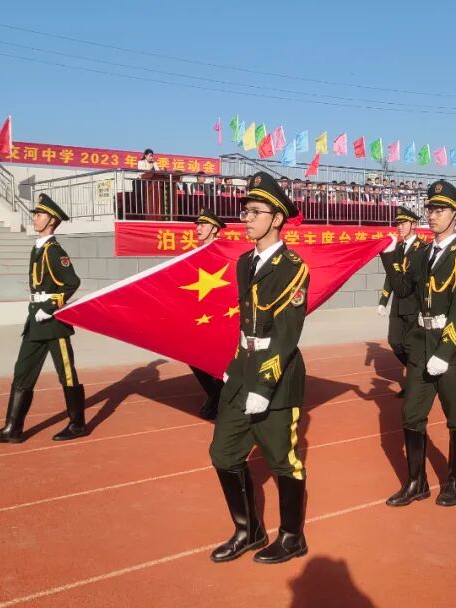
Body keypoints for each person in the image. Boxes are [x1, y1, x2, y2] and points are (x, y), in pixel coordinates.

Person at [208, 172, 309, 565]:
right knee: (223, 452)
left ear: (277, 218)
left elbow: (286, 335)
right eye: (245, 211)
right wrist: (235, 366)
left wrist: (263, 385)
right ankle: (248, 530)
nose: (246, 219)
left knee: (283, 460)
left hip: (276, 377)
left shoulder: (293, 267)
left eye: (255, 212)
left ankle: (292, 536)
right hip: (244, 369)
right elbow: (245, 323)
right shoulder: (244, 263)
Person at [380, 180, 456, 507]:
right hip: (421, 344)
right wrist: (387, 255)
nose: (432, 215)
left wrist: (444, 352)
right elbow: (402, 289)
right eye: (430, 209)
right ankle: (417, 482)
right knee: (411, 414)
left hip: (452, 349)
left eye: (440, 210)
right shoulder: (422, 254)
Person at [0, 194, 85, 443]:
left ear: (51, 220)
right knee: (22, 371)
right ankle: (13, 428)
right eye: (36, 214)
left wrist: (49, 307)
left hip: (54, 323)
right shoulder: (38, 247)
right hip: (35, 321)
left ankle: (77, 424)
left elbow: (72, 282)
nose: (35, 218)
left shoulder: (54, 251)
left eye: (39, 215)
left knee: (66, 374)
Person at [376, 206, 427, 397]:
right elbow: (391, 275)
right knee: (395, 342)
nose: (399, 227)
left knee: (410, 346)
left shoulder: (422, 249)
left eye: (403, 223)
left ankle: (414, 383)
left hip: (414, 304)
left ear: (413, 224)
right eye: (397, 223)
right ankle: (419, 374)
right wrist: (383, 300)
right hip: (398, 303)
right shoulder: (397, 248)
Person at [189, 208, 226, 420]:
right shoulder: (195, 254)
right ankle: (215, 395)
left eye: (202, 225)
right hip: (201, 317)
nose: (198, 229)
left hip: (222, 317)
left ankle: (218, 399)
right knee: (192, 357)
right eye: (198, 225)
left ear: (214, 228)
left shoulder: (223, 251)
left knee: (221, 360)